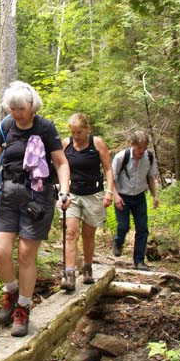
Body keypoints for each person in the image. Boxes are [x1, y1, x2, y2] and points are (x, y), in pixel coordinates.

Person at [0, 81, 71, 337]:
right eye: (12, 108)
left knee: (25, 255)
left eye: (20, 108)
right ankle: (11, 292)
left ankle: (23, 309)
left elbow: (60, 162)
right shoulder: (6, 126)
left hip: (37, 198)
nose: (16, 113)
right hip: (7, 196)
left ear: (32, 105)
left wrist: (65, 189)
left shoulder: (45, 128)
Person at [57, 113, 121, 290]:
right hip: (72, 194)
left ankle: (87, 267)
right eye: (73, 132)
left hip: (94, 193)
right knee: (71, 233)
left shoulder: (97, 143)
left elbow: (108, 169)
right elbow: (59, 167)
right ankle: (69, 274)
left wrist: (109, 192)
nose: (76, 136)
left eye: (79, 132)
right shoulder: (66, 144)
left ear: (87, 129)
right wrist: (62, 190)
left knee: (88, 234)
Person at [111, 130, 159, 271]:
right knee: (123, 226)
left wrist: (155, 195)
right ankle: (118, 241)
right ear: (132, 145)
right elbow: (111, 178)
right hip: (122, 196)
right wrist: (116, 196)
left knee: (143, 229)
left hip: (139, 196)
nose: (142, 151)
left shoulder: (149, 157)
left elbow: (150, 177)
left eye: (144, 147)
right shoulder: (121, 157)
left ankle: (139, 261)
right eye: (139, 148)